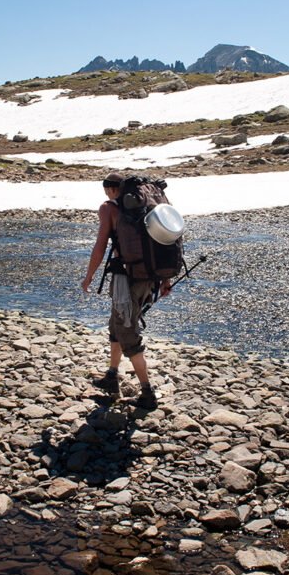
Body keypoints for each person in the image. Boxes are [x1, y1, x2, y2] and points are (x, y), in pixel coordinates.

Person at [81, 172, 172, 409]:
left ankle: (147, 392)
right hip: (150, 277)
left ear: (111, 189)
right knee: (116, 325)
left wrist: (89, 276)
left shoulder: (109, 208)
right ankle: (112, 377)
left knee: (127, 331)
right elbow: (165, 243)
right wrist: (165, 279)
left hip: (126, 279)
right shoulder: (148, 207)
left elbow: (100, 246)